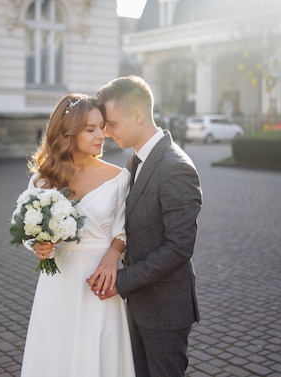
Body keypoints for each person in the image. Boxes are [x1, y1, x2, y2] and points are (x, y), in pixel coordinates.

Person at [89, 75, 203, 377]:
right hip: (140, 305)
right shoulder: (136, 161)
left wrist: (122, 281)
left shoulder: (175, 167)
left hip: (165, 310)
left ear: (138, 116)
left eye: (111, 123)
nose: (107, 132)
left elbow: (179, 248)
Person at [19, 94, 136, 377]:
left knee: (99, 355)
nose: (102, 135)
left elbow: (123, 230)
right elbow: (27, 229)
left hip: (99, 282)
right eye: (91, 129)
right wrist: (39, 246)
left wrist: (112, 255)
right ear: (69, 132)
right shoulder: (43, 179)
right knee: (56, 356)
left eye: (102, 127)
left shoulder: (119, 177)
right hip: (58, 282)